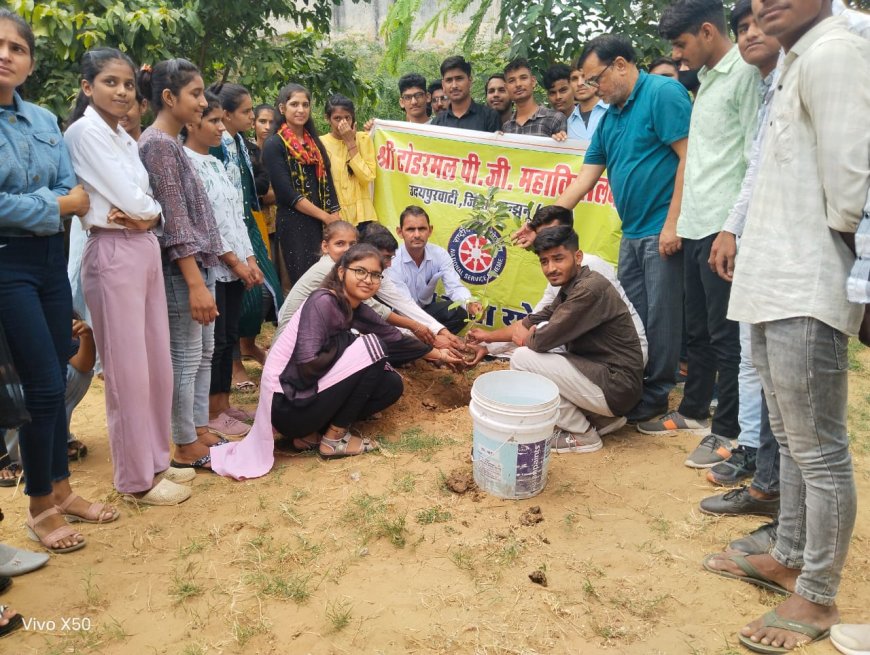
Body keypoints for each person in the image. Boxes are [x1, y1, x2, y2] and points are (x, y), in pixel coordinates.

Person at [702, 0, 870, 651]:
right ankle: (790, 554)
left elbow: (853, 187)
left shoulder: (832, 52)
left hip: (807, 283)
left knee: (819, 448)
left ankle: (819, 594)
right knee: (791, 436)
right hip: (772, 281)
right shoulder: (794, 61)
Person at [0, 10, 122, 553]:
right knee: (42, 386)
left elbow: (72, 189)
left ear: (29, 61)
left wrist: (54, 203)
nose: (6, 55)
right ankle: (38, 507)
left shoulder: (46, 121)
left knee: (53, 373)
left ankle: (61, 492)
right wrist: (54, 204)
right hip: (7, 266)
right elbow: (62, 199)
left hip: (50, 260)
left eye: (17, 48)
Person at [64, 48, 196, 505]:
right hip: (112, 252)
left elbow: (146, 200)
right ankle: (136, 480)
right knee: (128, 373)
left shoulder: (121, 135)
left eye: (126, 84)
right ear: (87, 88)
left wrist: (149, 215)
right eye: (109, 83)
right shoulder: (85, 133)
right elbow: (132, 198)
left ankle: (158, 462)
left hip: (141, 246)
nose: (122, 91)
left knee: (156, 362)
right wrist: (148, 212)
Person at [551, 34, 692, 423]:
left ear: (619, 65)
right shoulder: (611, 117)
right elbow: (585, 177)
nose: (593, 88)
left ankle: (659, 391)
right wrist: (544, 219)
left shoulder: (662, 94)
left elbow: (688, 157)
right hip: (632, 231)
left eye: (596, 79)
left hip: (662, 227)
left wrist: (673, 223)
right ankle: (636, 383)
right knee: (632, 314)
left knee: (662, 315)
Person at [638, 0, 760, 447]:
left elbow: (753, 157)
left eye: (682, 44)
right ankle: (693, 411)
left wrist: (732, 228)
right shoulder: (706, 81)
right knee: (699, 332)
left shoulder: (744, 75)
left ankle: (728, 431)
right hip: (695, 224)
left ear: (707, 31)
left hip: (722, 227)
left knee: (726, 336)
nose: (679, 57)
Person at [211, 245, 410, 477]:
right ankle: (334, 439)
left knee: (389, 383)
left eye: (375, 275)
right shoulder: (323, 301)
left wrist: (440, 350)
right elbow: (307, 365)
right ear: (341, 272)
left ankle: (308, 436)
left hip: (299, 405)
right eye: (360, 271)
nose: (368, 279)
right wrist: (347, 342)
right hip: (286, 407)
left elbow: (395, 337)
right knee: (372, 348)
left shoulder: (352, 306)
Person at [689, 0, 780, 478]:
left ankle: (738, 439)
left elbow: (751, 163)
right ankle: (748, 446)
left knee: (743, 346)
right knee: (736, 344)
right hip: (717, 225)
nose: (749, 35)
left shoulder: (754, 78)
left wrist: (732, 227)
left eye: (758, 25)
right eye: (743, 26)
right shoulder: (725, 80)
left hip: (746, 231)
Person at [469, 227, 643, 453]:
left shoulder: (588, 289)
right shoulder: (573, 285)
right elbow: (536, 319)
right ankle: (603, 420)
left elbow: (540, 340)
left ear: (577, 257)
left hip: (615, 385)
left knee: (523, 359)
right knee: (542, 349)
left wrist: (526, 336)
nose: (550, 268)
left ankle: (582, 434)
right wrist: (489, 339)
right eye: (544, 262)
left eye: (558, 259)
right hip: (611, 382)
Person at [139, 58, 225, 473]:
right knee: (185, 356)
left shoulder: (170, 143)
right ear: (169, 98)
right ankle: (184, 443)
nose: (203, 101)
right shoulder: (157, 144)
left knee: (203, 351)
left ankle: (197, 425)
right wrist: (194, 283)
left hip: (197, 262)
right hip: (181, 268)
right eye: (195, 93)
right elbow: (173, 218)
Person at [183, 91, 261, 440]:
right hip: (214, 265)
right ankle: (211, 411)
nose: (220, 127)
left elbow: (235, 216)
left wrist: (250, 260)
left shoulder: (214, 163)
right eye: (213, 121)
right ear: (192, 123)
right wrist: (233, 260)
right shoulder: (186, 162)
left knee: (228, 336)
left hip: (235, 264)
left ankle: (224, 403)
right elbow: (207, 225)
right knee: (213, 342)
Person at [275, 221, 455, 367]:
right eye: (340, 243)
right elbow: (376, 315)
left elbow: (396, 306)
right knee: (372, 346)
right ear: (325, 246)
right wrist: (424, 338)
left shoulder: (353, 269)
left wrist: (434, 334)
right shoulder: (333, 271)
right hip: (295, 357)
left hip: (304, 350)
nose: (347, 249)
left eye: (352, 244)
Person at [263, 83, 341, 286]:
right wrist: (325, 217)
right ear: (282, 108)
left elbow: (328, 183)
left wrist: (335, 216)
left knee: (329, 281)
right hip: (294, 225)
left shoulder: (313, 143)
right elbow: (286, 193)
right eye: (294, 104)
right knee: (304, 285)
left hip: (321, 224)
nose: (301, 110)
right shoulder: (275, 144)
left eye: (305, 105)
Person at [386, 205, 481, 334]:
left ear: (430, 230)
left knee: (462, 310)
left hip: (425, 310)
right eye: (410, 229)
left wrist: (470, 304)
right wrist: (440, 331)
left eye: (422, 229)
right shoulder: (392, 261)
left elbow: (454, 287)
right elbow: (405, 306)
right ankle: (432, 343)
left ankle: (432, 343)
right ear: (399, 232)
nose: (417, 235)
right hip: (401, 317)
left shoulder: (440, 254)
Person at [321, 94, 378, 229]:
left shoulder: (363, 139)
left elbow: (367, 177)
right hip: (336, 216)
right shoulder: (320, 144)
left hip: (363, 217)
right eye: (337, 118)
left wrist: (350, 143)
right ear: (327, 119)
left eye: (347, 118)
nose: (343, 123)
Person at [430, 56, 501, 132]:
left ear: (470, 81)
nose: (454, 86)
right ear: (443, 85)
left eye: (459, 78)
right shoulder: (436, 124)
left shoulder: (489, 117)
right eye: (449, 80)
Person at [502, 58, 567, 138]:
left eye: (523, 78)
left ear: (533, 81)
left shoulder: (555, 118)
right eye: (511, 80)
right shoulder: (506, 127)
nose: (518, 84)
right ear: (506, 88)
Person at [567, 58, 608, 141]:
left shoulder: (614, 110)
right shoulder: (568, 123)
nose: (580, 83)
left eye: (585, 76)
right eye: (574, 79)